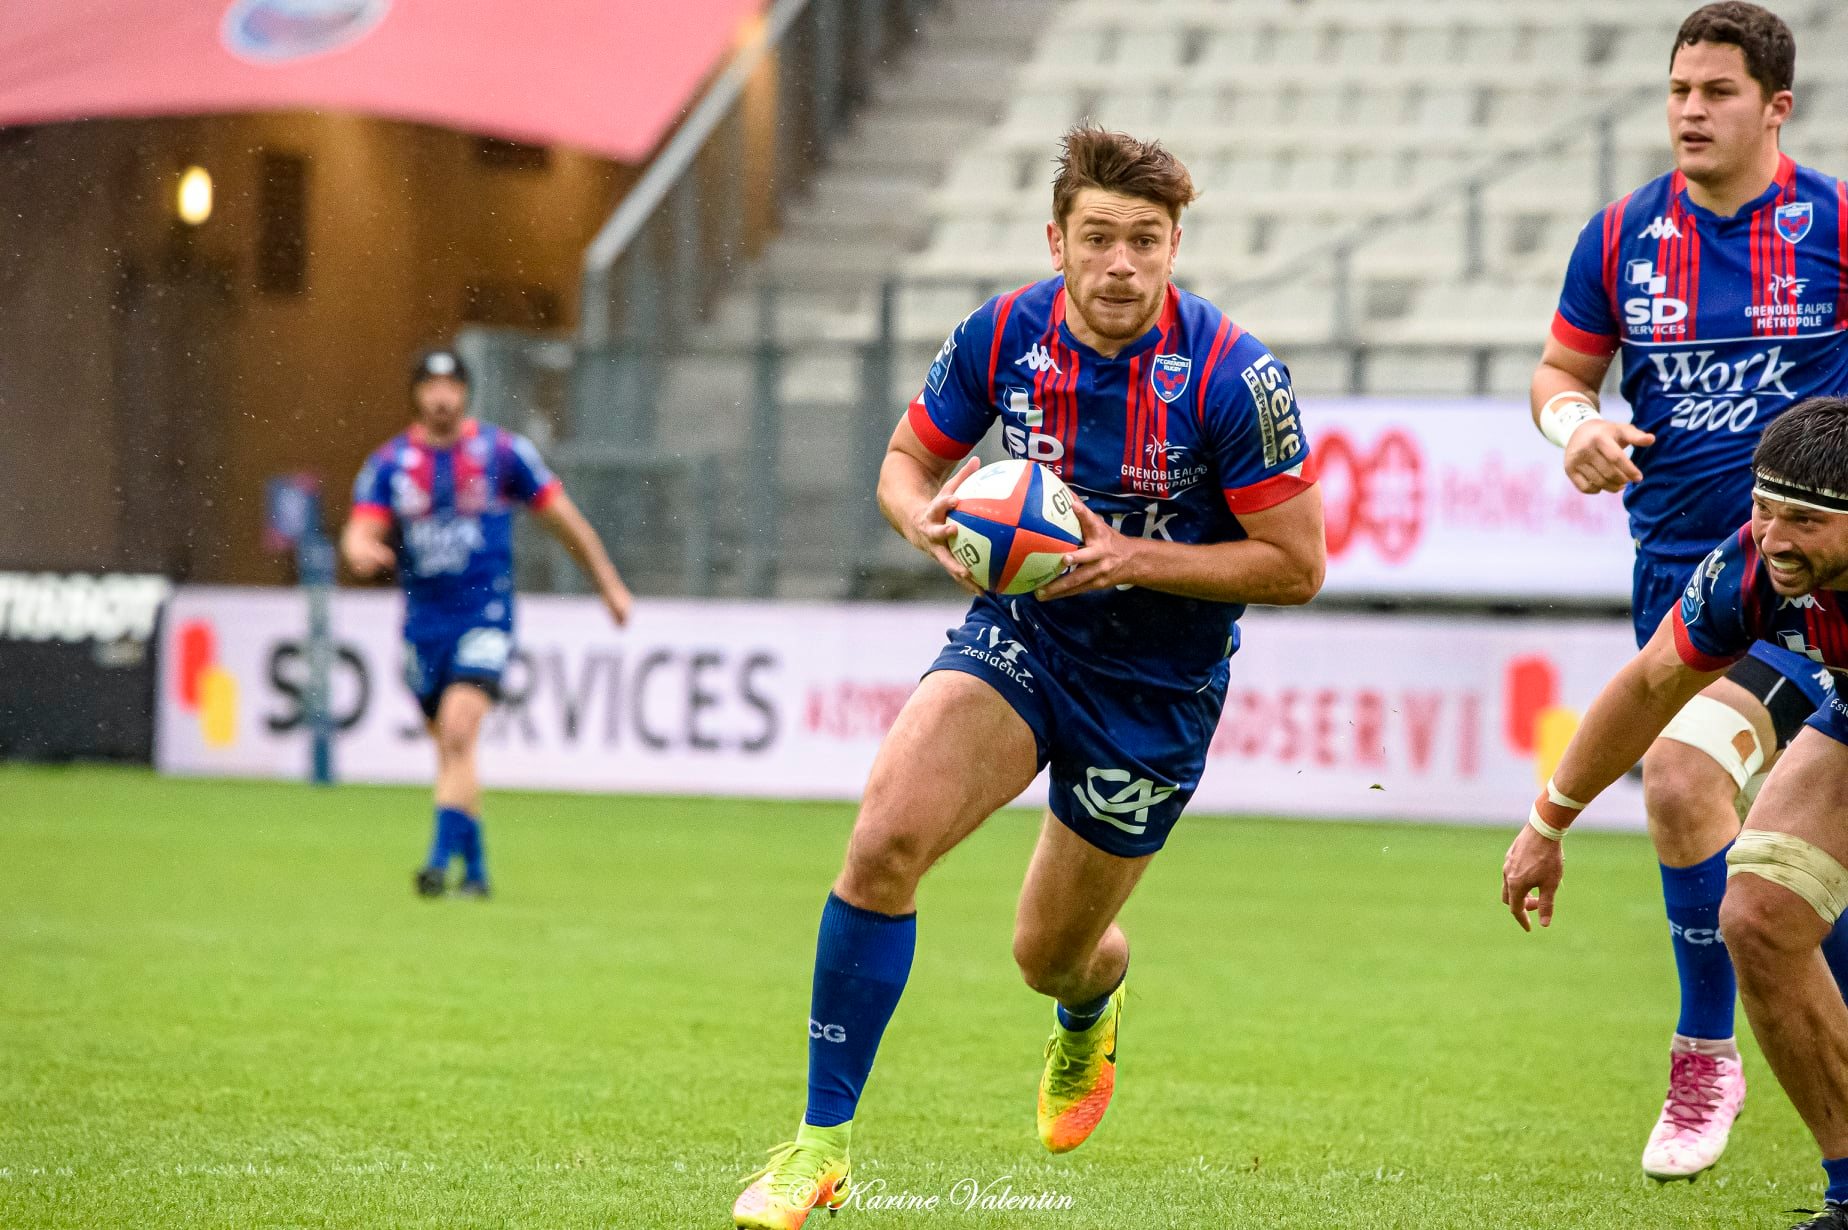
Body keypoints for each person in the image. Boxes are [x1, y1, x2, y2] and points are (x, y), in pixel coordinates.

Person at [731, 126, 1324, 1230]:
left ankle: (1090, 1007)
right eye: (1097, 238)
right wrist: (922, 521)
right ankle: (820, 1149)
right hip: (1024, 639)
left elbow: (1297, 566)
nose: (1120, 265)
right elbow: (907, 463)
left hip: (1155, 691)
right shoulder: (1002, 334)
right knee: (883, 842)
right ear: (1057, 241)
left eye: (1144, 240)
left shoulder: (1235, 378)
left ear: (1175, 245)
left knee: (1048, 956)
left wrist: (1130, 557)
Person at [1530, 0, 1848, 1180]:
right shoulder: (1621, 236)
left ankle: (1704, 1054)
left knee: (1686, 779)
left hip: (1812, 585)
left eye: (1717, 92)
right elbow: (1560, 371)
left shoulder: (1835, 226)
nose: (1690, 112)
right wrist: (1574, 425)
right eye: (1678, 91)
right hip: (1687, 578)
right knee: (1783, 864)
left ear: (1776, 108)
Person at [1503, 397, 1848, 1229]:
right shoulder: (1751, 567)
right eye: (1764, 509)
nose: (1775, 538)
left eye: (1805, 521)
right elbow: (1651, 683)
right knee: (1757, 914)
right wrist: (1547, 824)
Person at [340, 348, 632, 898]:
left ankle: (435, 863)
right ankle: (475, 873)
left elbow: (566, 522)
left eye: (451, 386)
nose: (442, 397)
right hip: (424, 625)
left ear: (466, 392)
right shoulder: (390, 464)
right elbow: (360, 528)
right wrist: (359, 551)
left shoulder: (502, 453)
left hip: (485, 615)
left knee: (458, 731)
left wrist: (609, 585)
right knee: (454, 751)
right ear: (416, 394)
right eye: (431, 386)